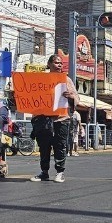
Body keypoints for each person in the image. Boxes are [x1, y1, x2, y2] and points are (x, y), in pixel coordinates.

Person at [30, 53, 77, 182]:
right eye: (56, 62)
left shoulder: (66, 80)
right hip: (44, 119)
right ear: (49, 64)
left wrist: (71, 97)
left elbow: (76, 97)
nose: (59, 65)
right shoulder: (42, 80)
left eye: (61, 63)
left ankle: (60, 172)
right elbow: (34, 97)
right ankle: (44, 172)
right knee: (44, 147)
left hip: (61, 119)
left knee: (60, 146)